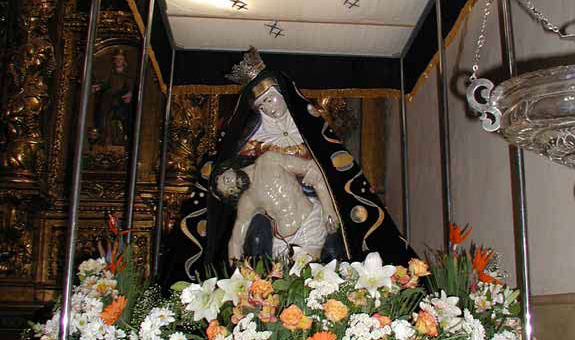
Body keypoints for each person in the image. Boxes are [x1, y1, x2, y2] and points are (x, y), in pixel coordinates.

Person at [161, 48, 417, 284]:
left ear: (283, 95)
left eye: (271, 100)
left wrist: (328, 203)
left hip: (311, 208)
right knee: (260, 240)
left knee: (326, 255)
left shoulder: (309, 133)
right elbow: (236, 232)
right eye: (262, 105)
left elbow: (324, 170)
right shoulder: (250, 146)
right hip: (273, 221)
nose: (270, 109)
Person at [214, 151, 338, 263]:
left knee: (307, 271)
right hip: (281, 242)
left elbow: (313, 170)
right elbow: (236, 242)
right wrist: (237, 273)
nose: (233, 185)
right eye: (231, 190)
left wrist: (328, 209)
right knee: (285, 278)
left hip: (308, 223)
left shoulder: (269, 160)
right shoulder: (247, 200)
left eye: (227, 180)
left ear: (229, 169)